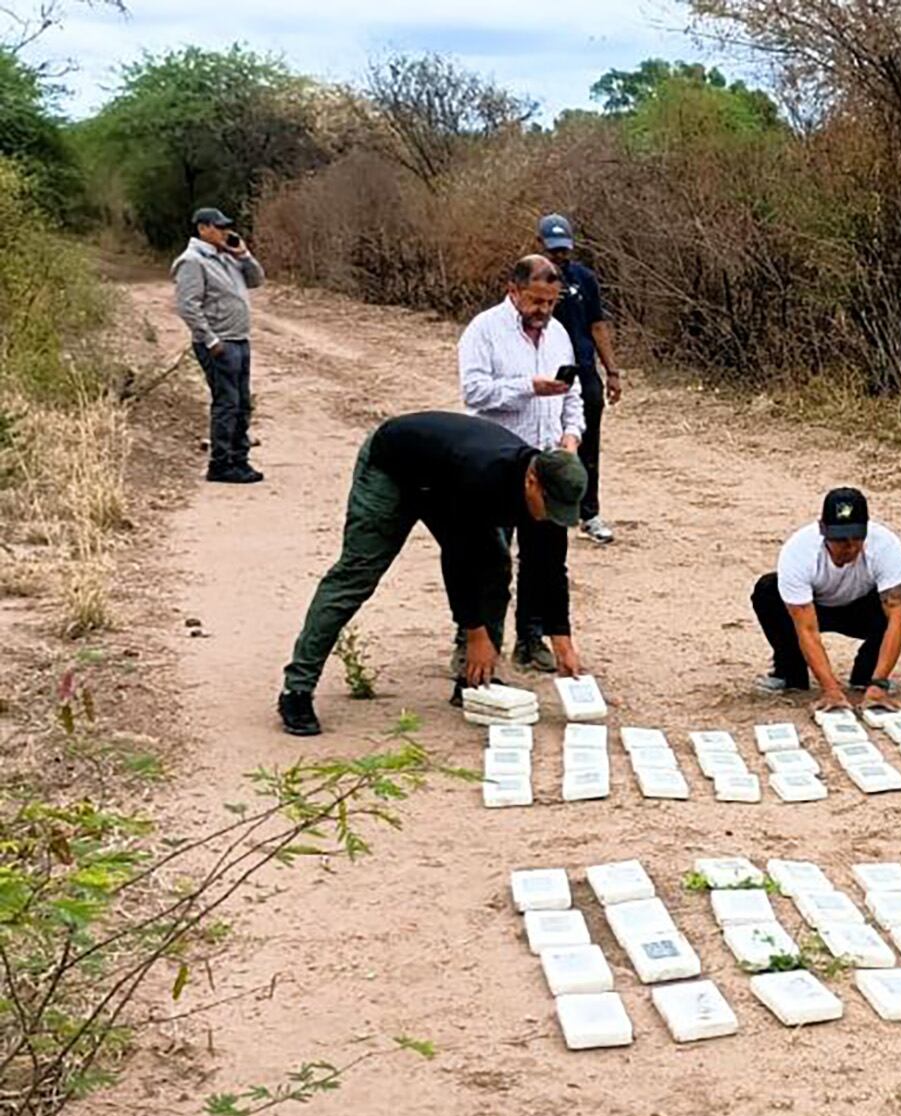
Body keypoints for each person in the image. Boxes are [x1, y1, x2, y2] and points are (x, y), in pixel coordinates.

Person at [276, 411, 589, 736]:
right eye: (550, 507)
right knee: (357, 574)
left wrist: (561, 641)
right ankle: (297, 689)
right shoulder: (482, 475)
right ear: (532, 481)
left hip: (445, 482)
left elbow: (550, 569)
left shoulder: (552, 493)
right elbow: (458, 557)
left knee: (494, 569)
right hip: (394, 467)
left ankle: (476, 681)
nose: (554, 516)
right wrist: (475, 635)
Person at [457, 255, 585, 675]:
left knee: (547, 557)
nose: (544, 311)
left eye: (551, 302)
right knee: (488, 556)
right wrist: (529, 388)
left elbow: (573, 395)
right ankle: (473, 639)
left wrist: (571, 437)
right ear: (514, 290)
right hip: (498, 465)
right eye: (536, 301)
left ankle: (531, 638)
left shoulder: (559, 334)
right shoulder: (484, 330)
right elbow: (474, 392)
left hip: (548, 463)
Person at [751, 487, 901, 712]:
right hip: (814, 607)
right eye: (839, 539)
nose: (849, 547)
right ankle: (790, 674)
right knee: (767, 591)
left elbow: (898, 621)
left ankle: (868, 677)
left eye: (857, 537)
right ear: (823, 529)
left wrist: (880, 683)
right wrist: (830, 690)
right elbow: (807, 629)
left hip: (860, 607)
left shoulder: (886, 545)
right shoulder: (799, 551)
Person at [538, 214, 624, 545]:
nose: (559, 256)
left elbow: (597, 325)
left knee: (587, 442)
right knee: (544, 439)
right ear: (539, 245)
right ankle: (538, 509)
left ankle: (589, 513)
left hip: (583, 369)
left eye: (564, 250)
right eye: (553, 250)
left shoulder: (584, 279)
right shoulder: (531, 280)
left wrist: (611, 371)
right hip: (546, 371)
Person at [171, 207, 265, 484]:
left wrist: (243, 254)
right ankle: (221, 464)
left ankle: (239, 459)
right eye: (218, 226)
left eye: (226, 226)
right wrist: (210, 340)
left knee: (242, 404)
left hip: (239, 339)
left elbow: (256, 279)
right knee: (227, 404)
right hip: (220, 343)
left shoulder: (226, 256)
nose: (225, 231)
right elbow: (188, 306)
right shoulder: (192, 261)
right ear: (203, 228)